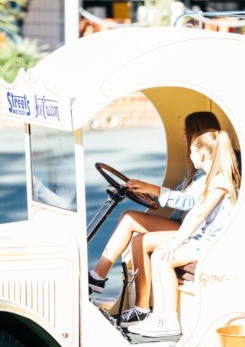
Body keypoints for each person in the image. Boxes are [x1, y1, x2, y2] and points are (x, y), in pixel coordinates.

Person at [89, 112, 220, 318]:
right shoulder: (193, 170)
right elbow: (177, 193)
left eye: (187, 133)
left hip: (190, 230)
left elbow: (186, 200)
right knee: (129, 217)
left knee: (141, 241)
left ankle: (141, 307)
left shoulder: (208, 173)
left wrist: (152, 188)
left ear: (197, 137)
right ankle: (97, 277)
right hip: (179, 223)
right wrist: (136, 190)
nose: (183, 138)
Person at [128, 129, 241, 337]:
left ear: (202, 155)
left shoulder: (220, 182)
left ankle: (169, 320)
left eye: (191, 152)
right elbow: (192, 216)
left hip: (214, 243)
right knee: (161, 254)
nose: (189, 157)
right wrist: (175, 242)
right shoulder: (210, 180)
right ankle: (160, 315)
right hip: (203, 239)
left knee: (163, 257)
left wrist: (176, 242)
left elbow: (198, 215)